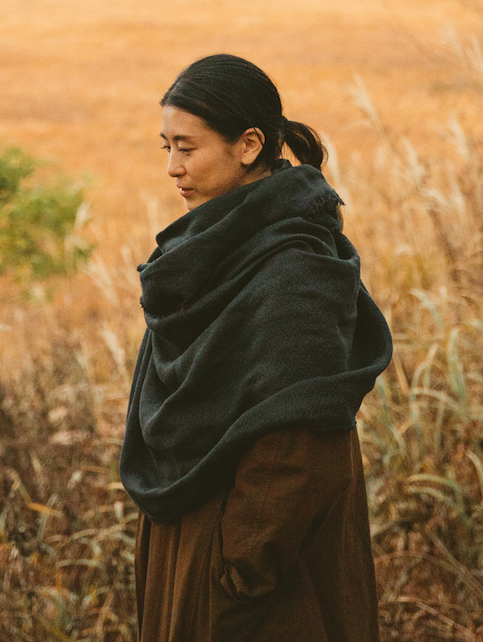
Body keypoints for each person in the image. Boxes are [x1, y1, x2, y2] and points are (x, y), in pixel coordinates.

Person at [121, 53, 393, 642]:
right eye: (164, 146)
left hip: (266, 580)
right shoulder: (206, 252)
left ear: (248, 145)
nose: (172, 167)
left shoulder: (296, 271)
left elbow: (299, 446)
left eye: (187, 148)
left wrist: (238, 575)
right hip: (193, 546)